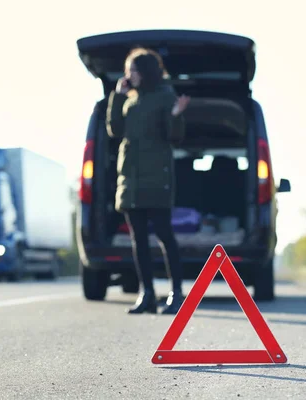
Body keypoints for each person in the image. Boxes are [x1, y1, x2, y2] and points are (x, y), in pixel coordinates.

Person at [106, 48, 191, 315]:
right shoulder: (129, 100)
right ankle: (147, 294)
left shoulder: (165, 96)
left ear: (145, 72)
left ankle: (176, 293)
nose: (128, 74)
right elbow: (114, 129)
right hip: (130, 179)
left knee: (165, 235)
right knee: (138, 239)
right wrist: (117, 98)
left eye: (132, 69)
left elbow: (174, 136)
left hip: (156, 177)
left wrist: (177, 115)